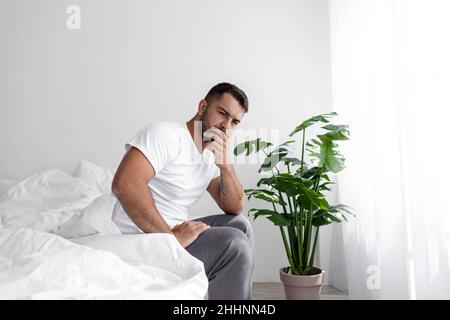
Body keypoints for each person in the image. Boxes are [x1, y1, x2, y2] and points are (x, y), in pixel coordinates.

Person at [111, 82, 254, 300]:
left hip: (171, 234)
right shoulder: (166, 134)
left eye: (234, 122)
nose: (226, 126)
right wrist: (170, 239)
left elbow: (234, 207)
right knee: (235, 245)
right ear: (202, 106)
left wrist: (226, 166)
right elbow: (124, 184)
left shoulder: (208, 155)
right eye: (222, 113)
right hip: (139, 238)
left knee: (240, 225)